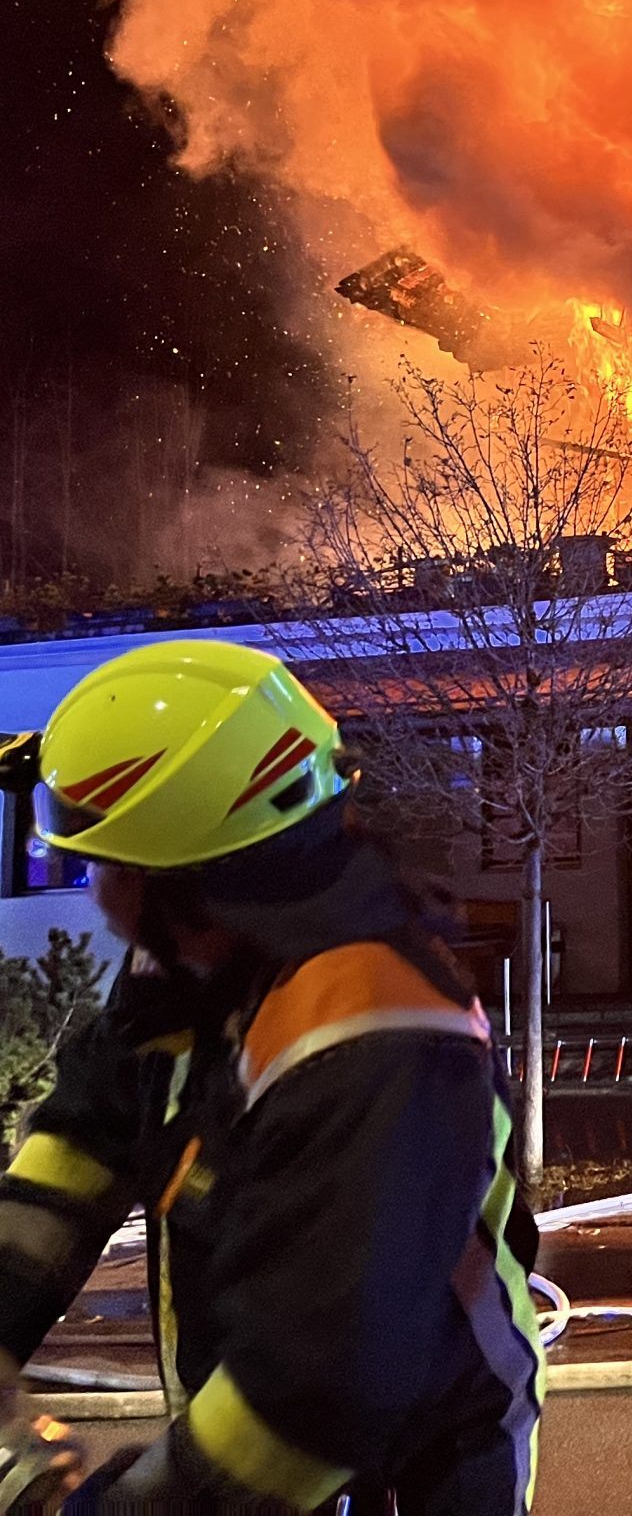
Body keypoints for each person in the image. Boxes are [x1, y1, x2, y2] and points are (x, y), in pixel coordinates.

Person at [0, 640, 544, 1512]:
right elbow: (77, 1154)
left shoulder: (379, 1028)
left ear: (174, 879)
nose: (93, 886)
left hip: (412, 1465)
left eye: (97, 860)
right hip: (251, 1406)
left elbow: (323, 1394)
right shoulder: (190, 964)